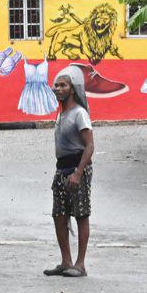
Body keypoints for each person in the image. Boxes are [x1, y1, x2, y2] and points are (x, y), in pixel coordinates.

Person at [45, 66, 94, 277]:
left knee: (81, 214)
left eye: (63, 85)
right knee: (59, 215)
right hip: (61, 170)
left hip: (77, 169)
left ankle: (80, 264)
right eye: (56, 85)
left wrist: (78, 173)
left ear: (72, 89)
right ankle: (65, 261)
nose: (57, 88)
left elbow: (89, 146)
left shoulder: (79, 114)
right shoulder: (62, 114)